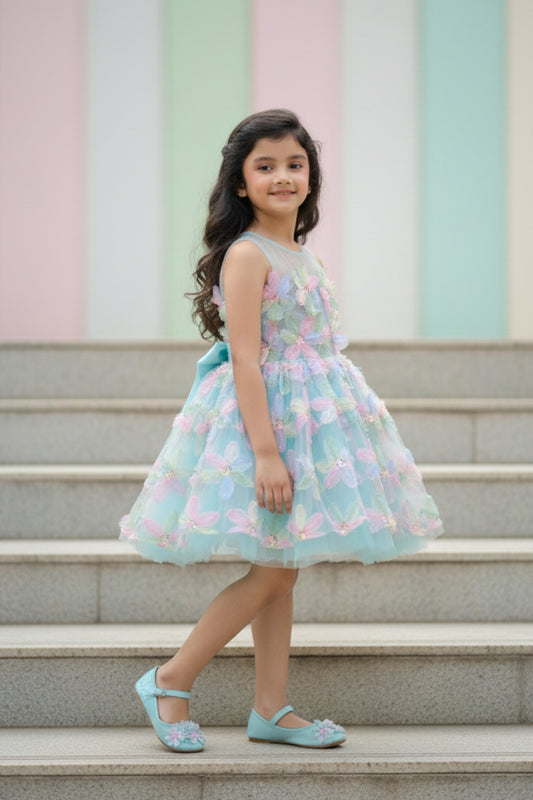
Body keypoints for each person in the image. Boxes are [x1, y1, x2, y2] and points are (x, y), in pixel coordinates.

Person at [119, 108, 444, 753]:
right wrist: (266, 454)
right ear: (241, 183)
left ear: (311, 177)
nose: (282, 176)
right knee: (272, 572)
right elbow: (245, 358)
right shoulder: (246, 255)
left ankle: (270, 707)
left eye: (294, 164)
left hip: (312, 421)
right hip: (266, 425)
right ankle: (170, 678)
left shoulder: (301, 253)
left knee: (282, 565)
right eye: (264, 166)